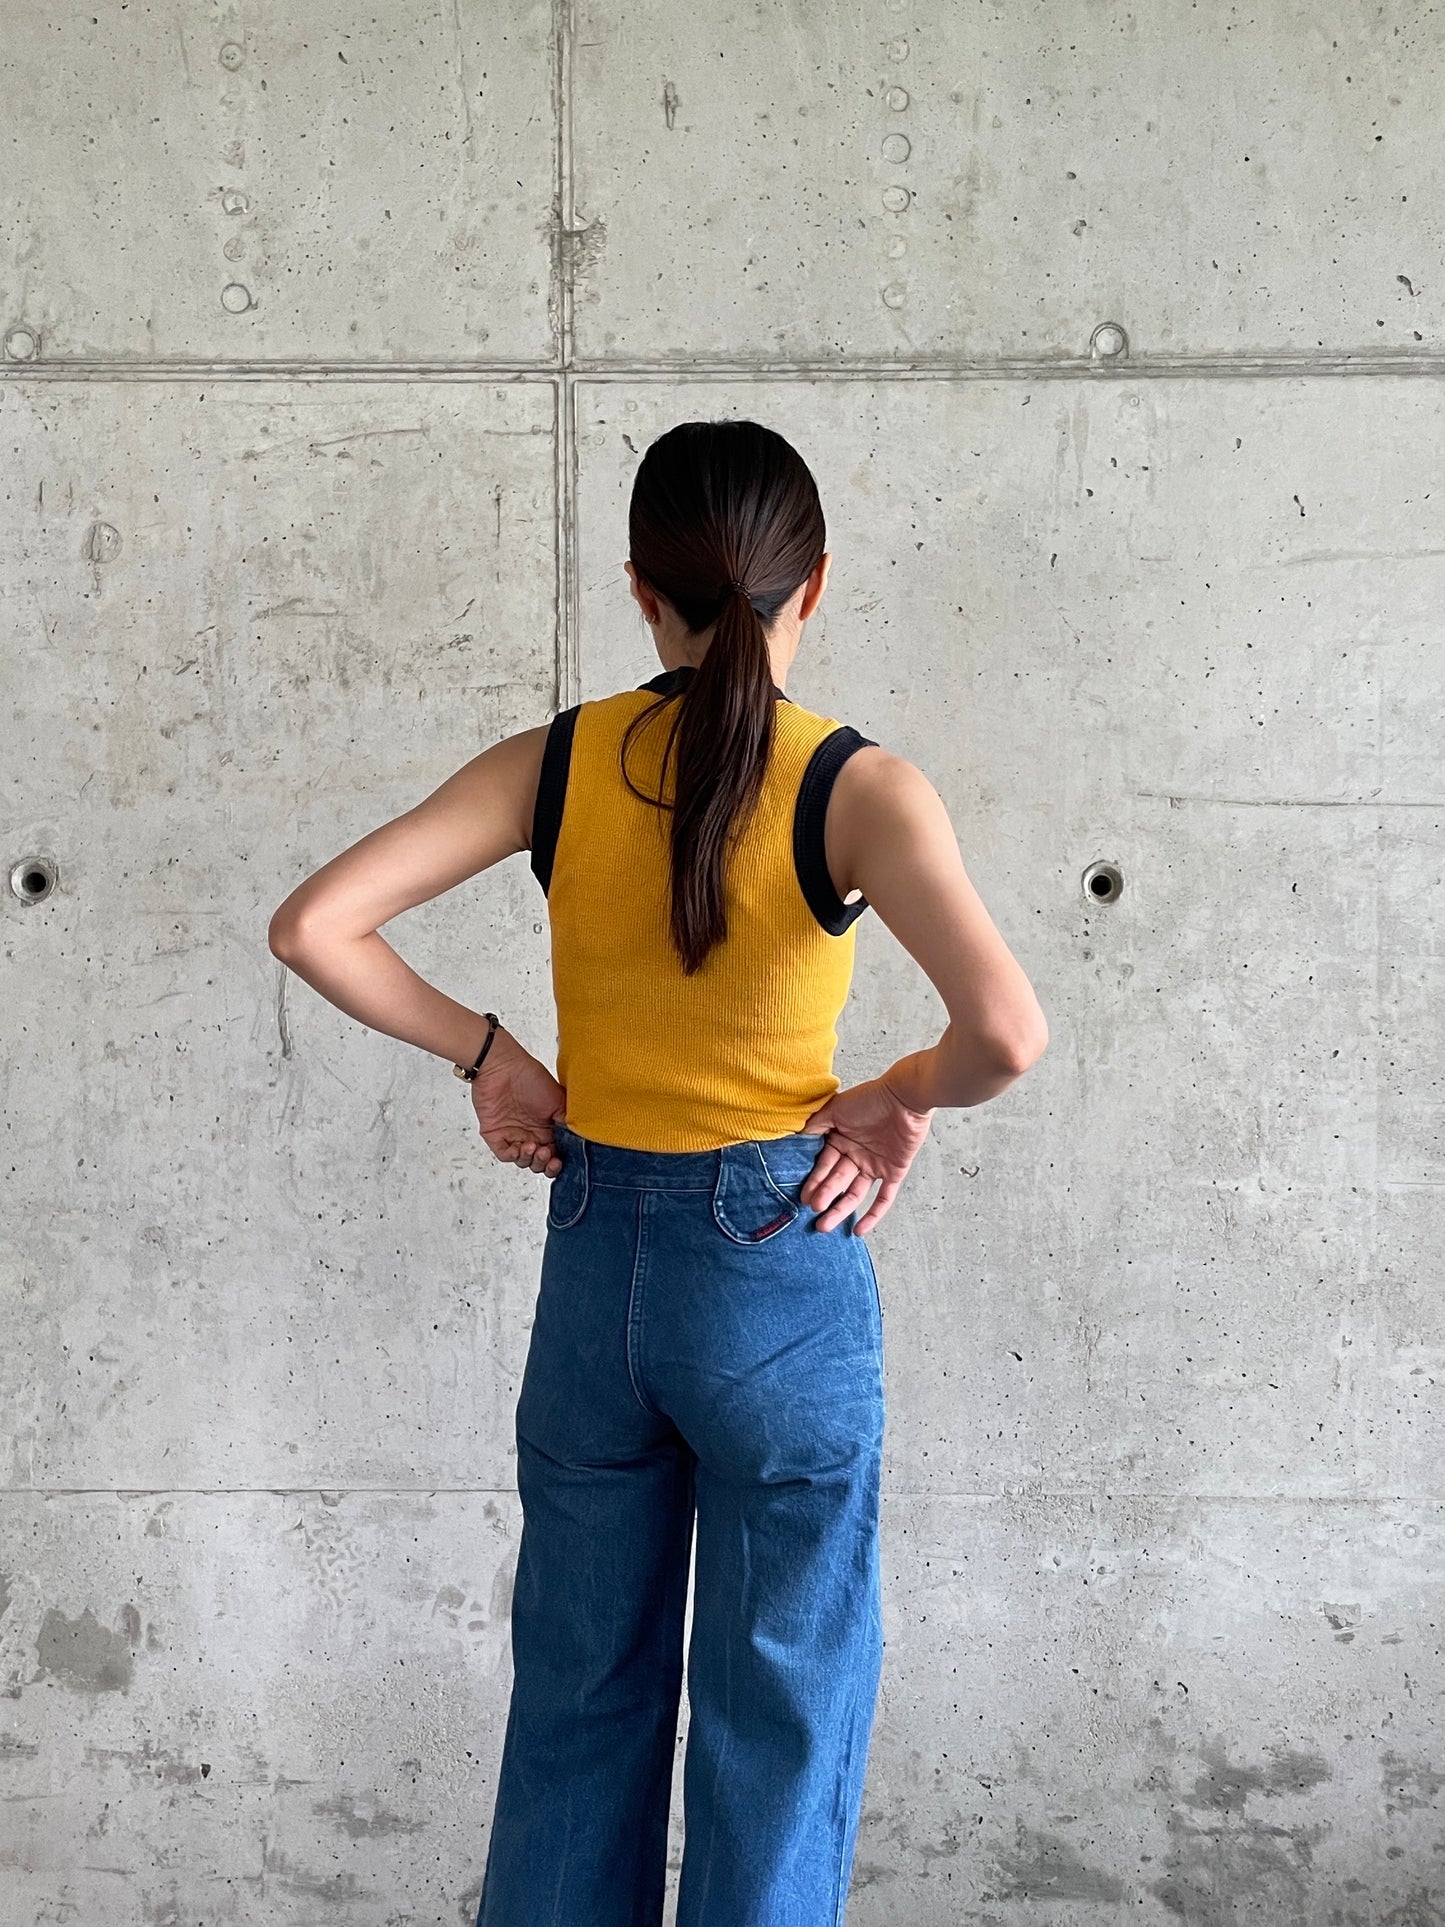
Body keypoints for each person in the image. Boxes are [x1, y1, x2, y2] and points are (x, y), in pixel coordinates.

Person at [267, 418, 1049, 1926]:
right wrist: (897, 1097)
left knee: (577, 1699)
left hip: (594, 1271)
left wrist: (489, 1053)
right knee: (780, 1711)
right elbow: (1005, 1035)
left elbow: (315, 927)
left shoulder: (556, 764)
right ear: (815, 584)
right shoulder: (857, 788)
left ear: (641, 589)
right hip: (777, 1274)